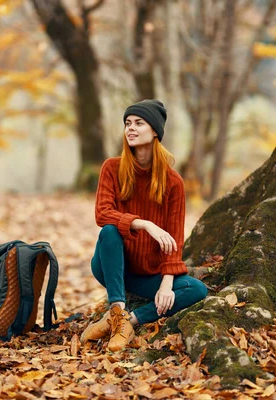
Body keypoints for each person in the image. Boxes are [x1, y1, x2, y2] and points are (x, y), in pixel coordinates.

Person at [80, 99, 208, 352]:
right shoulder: (112, 168)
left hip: (149, 272)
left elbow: (174, 238)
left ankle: (126, 321)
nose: (131, 128)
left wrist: (166, 284)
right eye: (128, 123)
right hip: (112, 266)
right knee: (110, 230)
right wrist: (145, 224)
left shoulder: (173, 182)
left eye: (139, 123)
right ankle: (117, 308)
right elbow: (103, 214)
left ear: (155, 131)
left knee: (196, 289)